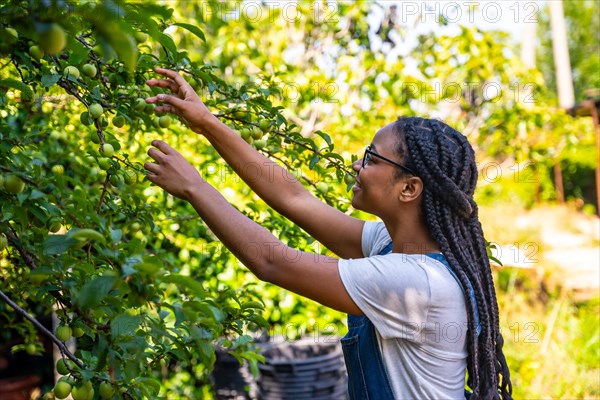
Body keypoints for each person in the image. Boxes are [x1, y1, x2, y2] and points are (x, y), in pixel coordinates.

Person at [143, 67, 512, 400]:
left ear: (409, 188)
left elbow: (271, 261)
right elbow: (295, 198)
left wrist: (195, 187)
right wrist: (206, 122)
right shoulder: (391, 245)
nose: (357, 164)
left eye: (371, 158)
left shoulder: (415, 282)